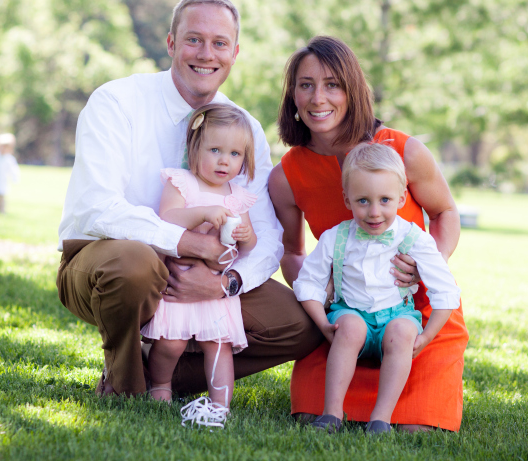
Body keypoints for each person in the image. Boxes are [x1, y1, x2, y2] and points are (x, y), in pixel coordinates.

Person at [55, 0, 320, 409]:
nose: (206, 54)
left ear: (235, 53)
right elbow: (97, 207)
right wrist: (188, 244)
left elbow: (267, 235)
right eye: (194, 39)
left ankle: (160, 373)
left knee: (299, 325)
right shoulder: (117, 101)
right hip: (108, 261)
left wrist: (226, 283)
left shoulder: (244, 128)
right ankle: (126, 380)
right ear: (171, 43)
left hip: (212, 271)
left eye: (219, 43)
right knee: (135, 265)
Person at [269, 36, 468, 432]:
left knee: (417, 427)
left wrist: (427, 266)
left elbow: (445, 212)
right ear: (292, 95)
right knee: (309, 414)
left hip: (413, 310)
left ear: (353, 90)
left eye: (332, 85)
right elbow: (292, 253)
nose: (318, 98)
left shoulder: (403, 150)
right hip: (344, 312)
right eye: (306, 85)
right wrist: (321, 294)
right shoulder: (286, 175)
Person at [293, 143, 461, 434]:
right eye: (363, 201)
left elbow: (445, 289)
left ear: (401, 198)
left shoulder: (413, 238)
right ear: (347, 199)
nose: (374, 212)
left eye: (385, 200)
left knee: (403, 332)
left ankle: (380, 419)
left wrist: (427, 336)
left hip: (396, 315)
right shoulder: (336, 237)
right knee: (349, 328)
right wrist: (323, 324)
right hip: (350, 312)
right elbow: (308, 283)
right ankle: (332, 414)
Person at [141, 103, 258, 425]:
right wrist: (203, 213)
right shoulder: (182, 183)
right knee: (171, 342)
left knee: (218, 346)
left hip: (215, 288)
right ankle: (160, 385)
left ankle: (220, 404)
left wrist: (247, 236)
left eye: (235, 154)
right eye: (215, 150)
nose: (224, 160)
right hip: (181, 280)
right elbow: (168, 219)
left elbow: (248, 247)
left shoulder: (238, 196)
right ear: (195, 148)